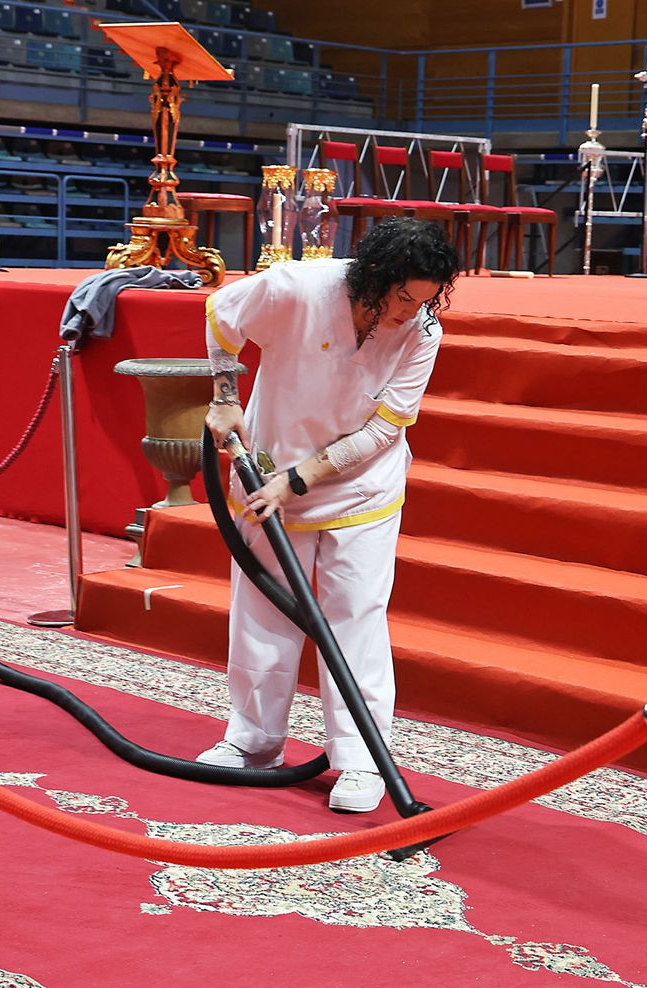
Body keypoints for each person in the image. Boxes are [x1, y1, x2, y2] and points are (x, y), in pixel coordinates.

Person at [196, 218, 460, 813]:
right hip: (268, 468)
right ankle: (253, 740)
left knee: (355, 616)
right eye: (402, 295)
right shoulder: (298, 287)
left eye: (424, 299)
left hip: (361, 487)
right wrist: (224, 398)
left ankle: (362, 759)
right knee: (264, 605)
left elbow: (388, 424)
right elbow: (222, 313)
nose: (409, 311)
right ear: (375, 276)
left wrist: (304, 478)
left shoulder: (422, 332)